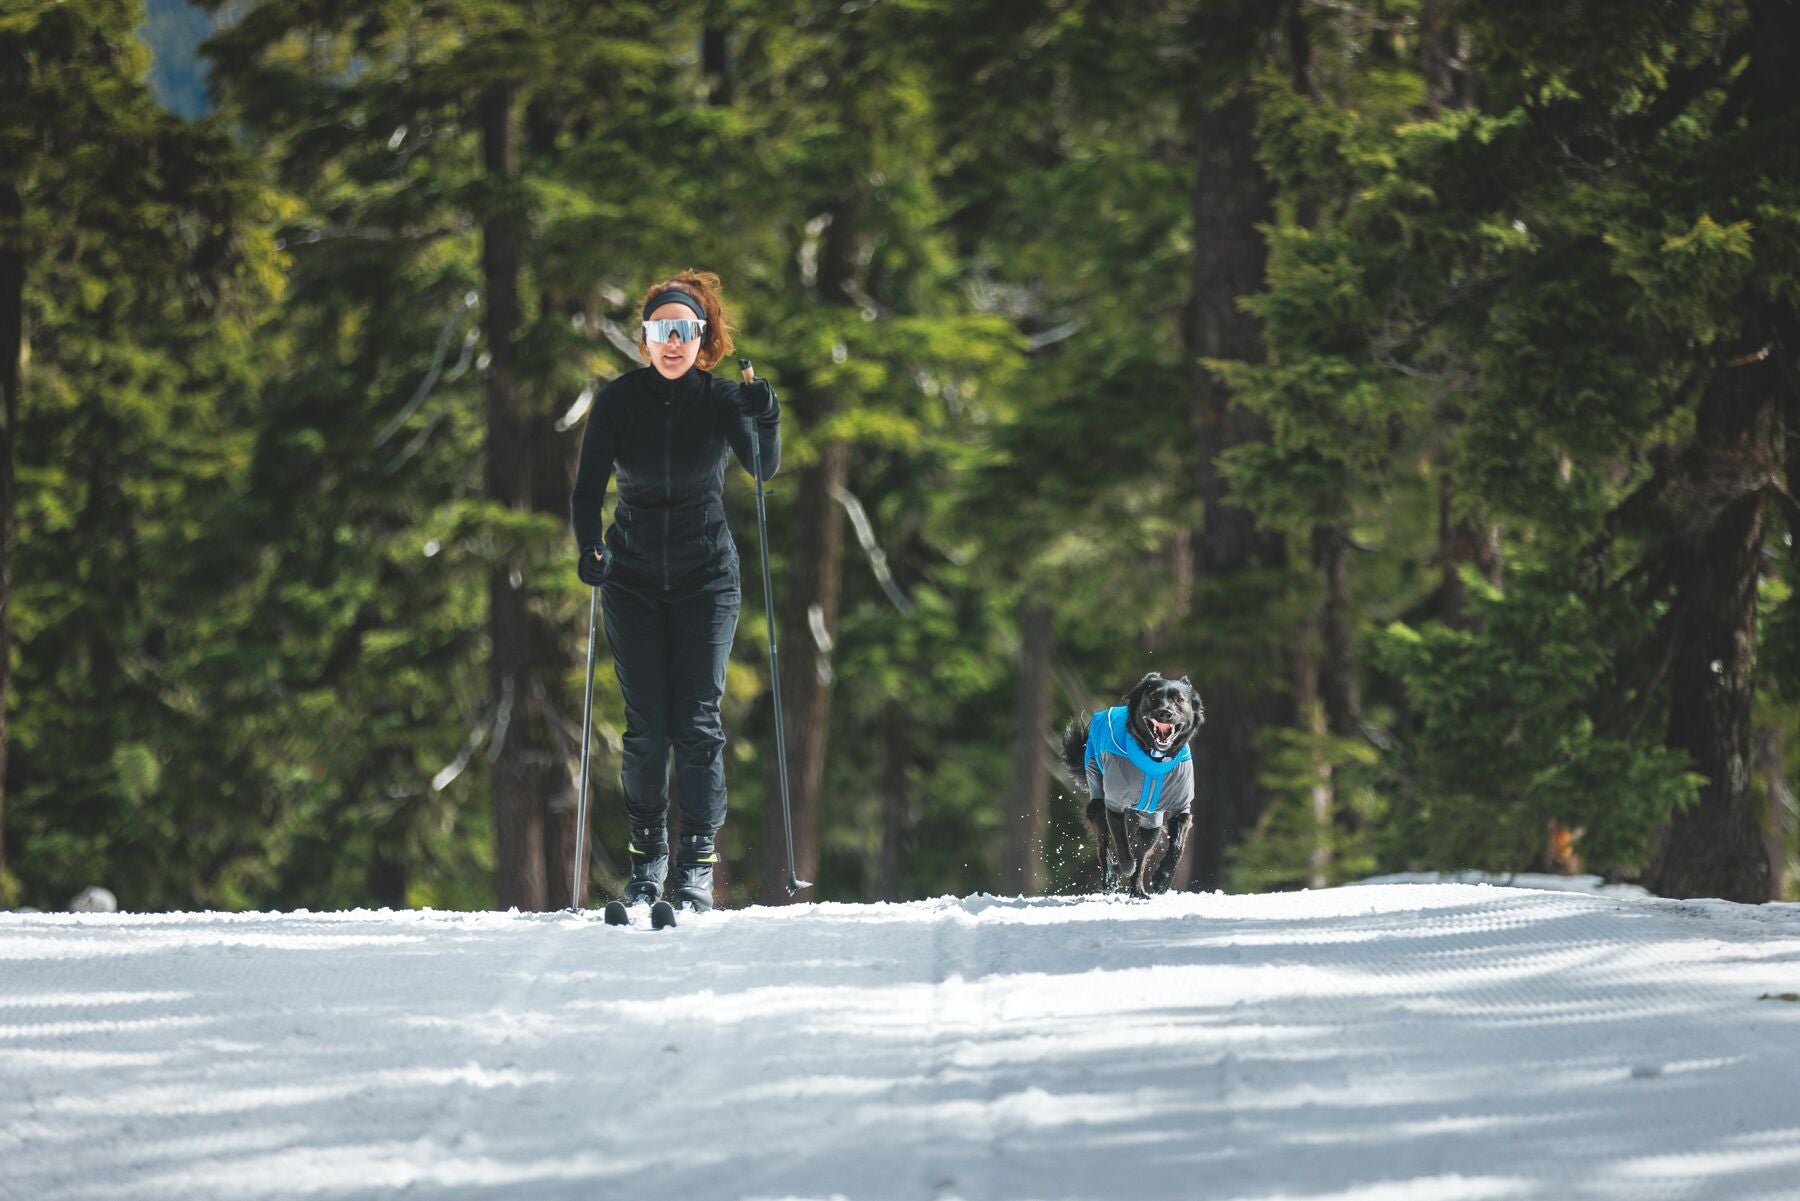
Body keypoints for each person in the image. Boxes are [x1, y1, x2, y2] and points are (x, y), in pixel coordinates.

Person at [569, 270, 779, 913]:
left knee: (696, 723)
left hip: (706, 579)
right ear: (643, 339)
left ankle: (694, 868)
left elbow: (762, 467)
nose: (672, 342)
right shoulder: (618, 402)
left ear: (702, 337)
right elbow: (586, 492)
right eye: (660, 330)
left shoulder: (720, 400)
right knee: (645, 730)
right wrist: (590, 549)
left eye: (683, 330)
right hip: (631, 580)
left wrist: (764, 417)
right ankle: (645, 866)